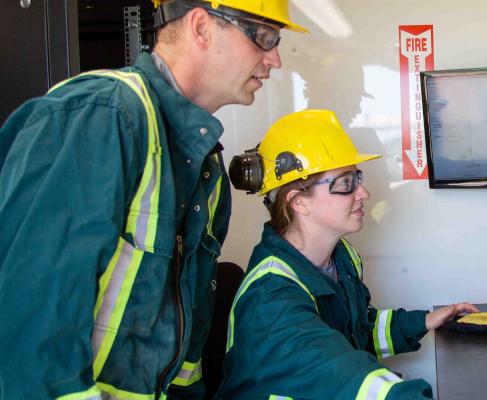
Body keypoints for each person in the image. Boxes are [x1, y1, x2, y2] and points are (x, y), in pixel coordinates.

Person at [0, 1, 307, 398]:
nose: (275, 59)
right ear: (201, 27)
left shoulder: (208, 171)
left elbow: (185, 350)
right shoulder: (102, 115)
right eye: (264, 37)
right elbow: (29, 328)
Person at [218, 109, 479, 399]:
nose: (364, 193)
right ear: (298, 201)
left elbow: (356, 332)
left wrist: (423, 321)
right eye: (345, 183)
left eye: (357, 178)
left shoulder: (339, 259)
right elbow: (342, 377)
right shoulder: (272, 297)